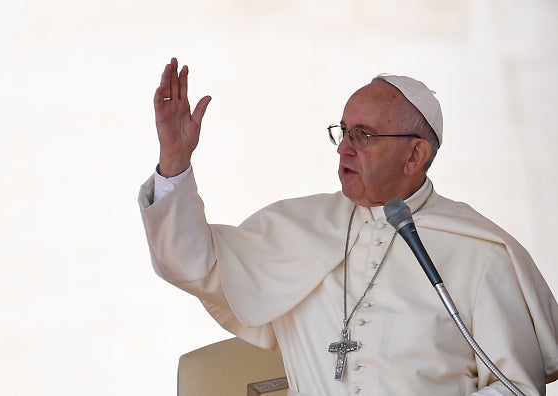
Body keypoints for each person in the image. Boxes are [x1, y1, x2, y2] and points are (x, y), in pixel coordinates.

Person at [138, 57, 558, 395]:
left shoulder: (479, 252)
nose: (344, 147)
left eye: (364, 135)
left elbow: (516, 388)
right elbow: (189, 263)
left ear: (415, 156)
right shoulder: (296, 228)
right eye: (343, 132)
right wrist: (174, 160)